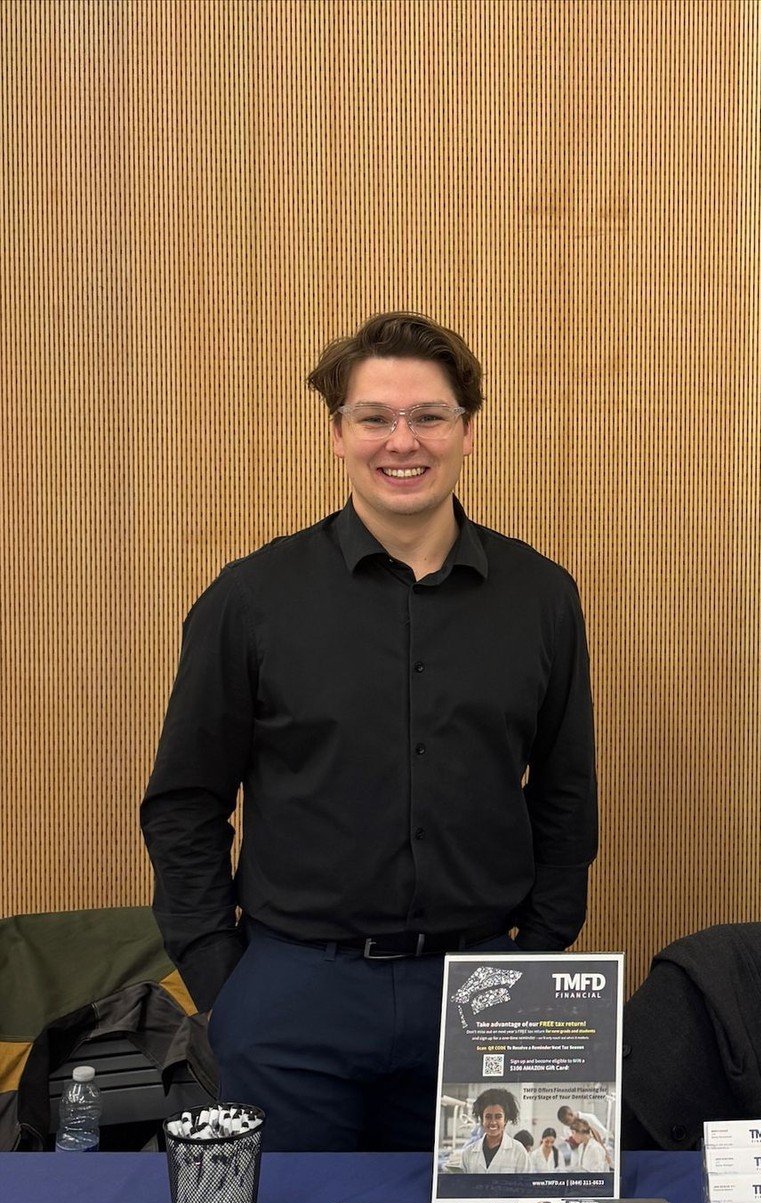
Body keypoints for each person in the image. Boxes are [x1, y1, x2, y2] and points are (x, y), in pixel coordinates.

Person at [141, 312, 597, 1152]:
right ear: (337, 434)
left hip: (485, 992)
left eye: (429, 416)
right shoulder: (251, 599)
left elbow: (565, 793)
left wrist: (536, 950)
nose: (403, 441)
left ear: (467, 430)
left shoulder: (540, 597)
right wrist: (222, 978)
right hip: (292, 996)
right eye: (375, 418)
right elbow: (184, 802)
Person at [455, 1089, 531, 1174]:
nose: (493, 1122)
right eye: (488, 1117)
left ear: (505, 1120)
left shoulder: (519, 1151)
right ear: (482, 1119)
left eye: (498, 1117)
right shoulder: (468, 1153)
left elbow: (526, 1184)